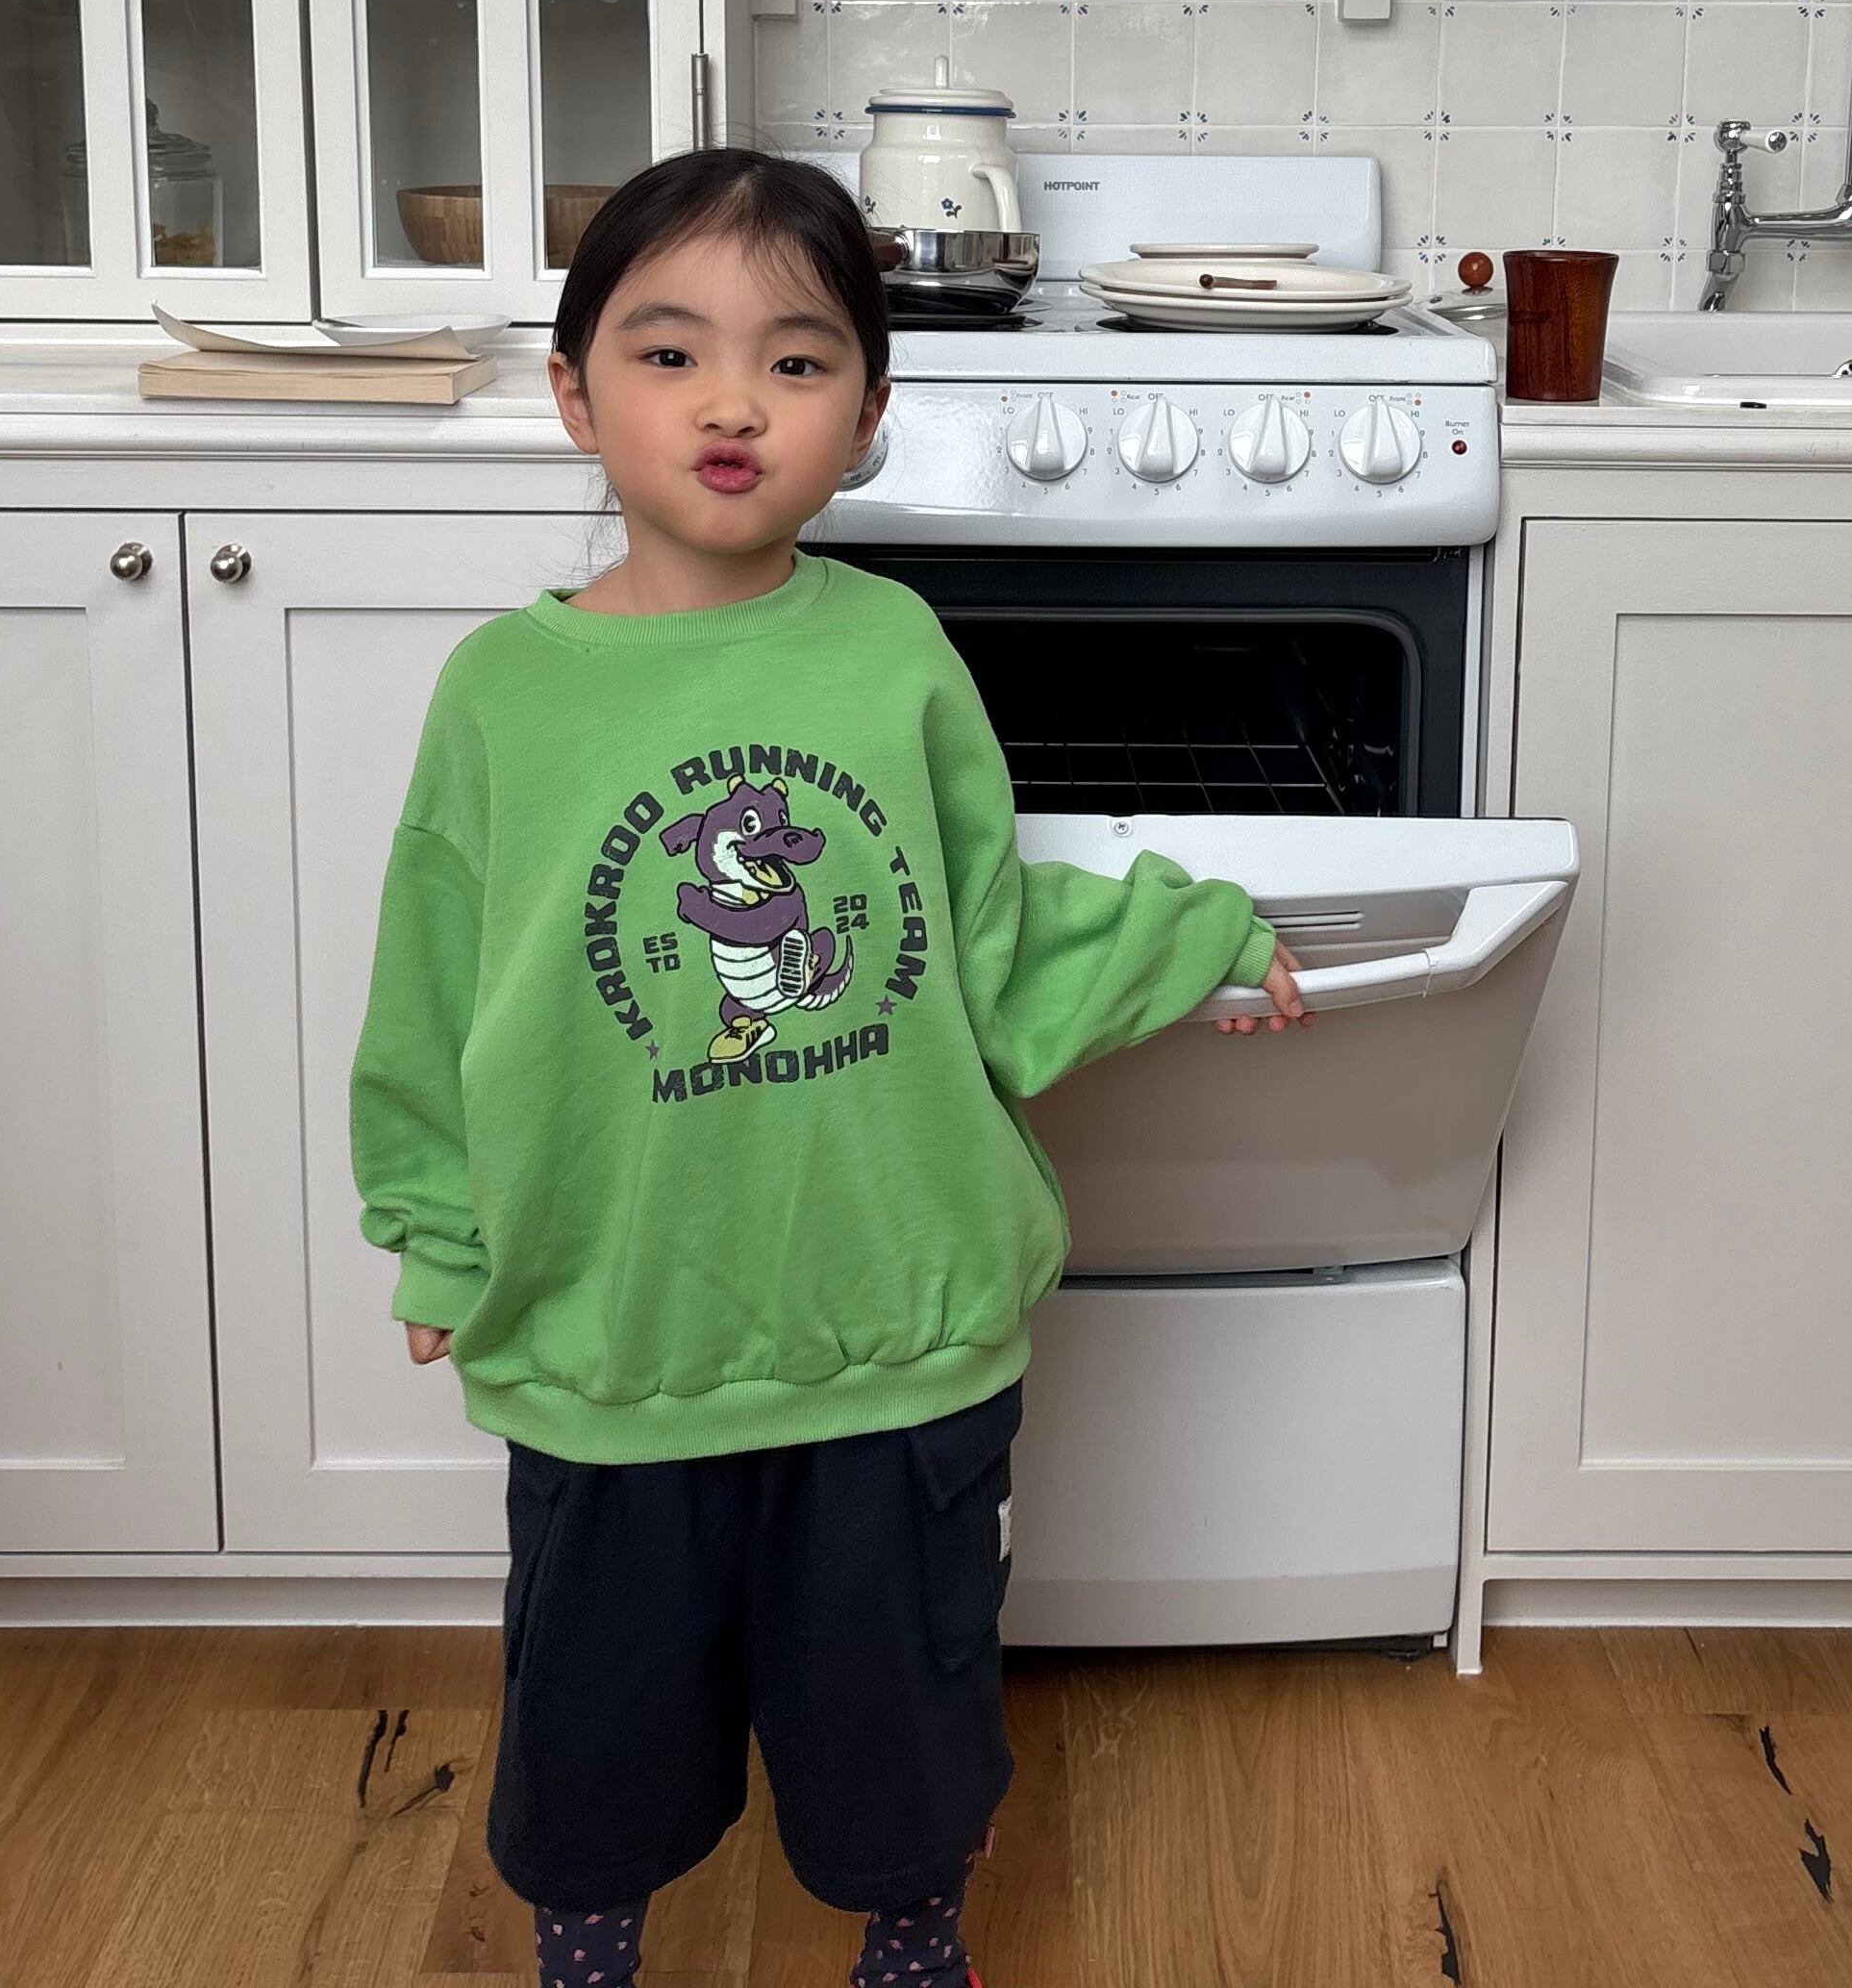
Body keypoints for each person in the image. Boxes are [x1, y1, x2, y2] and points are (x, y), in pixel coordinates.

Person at [348, 146, 1307, 1988]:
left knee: (905, 1726)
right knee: (597, 1730)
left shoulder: (894, 656)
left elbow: (986, 938)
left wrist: (1193, 937)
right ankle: (588, 1953)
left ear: (866, 416)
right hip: (615, 1337)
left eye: (795, 362)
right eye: (669, 353)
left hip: (894, 1330)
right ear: (575, 397)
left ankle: (912, 1946)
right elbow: (433, 986)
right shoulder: (501, 694)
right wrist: (438, 1231)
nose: (732, 403)